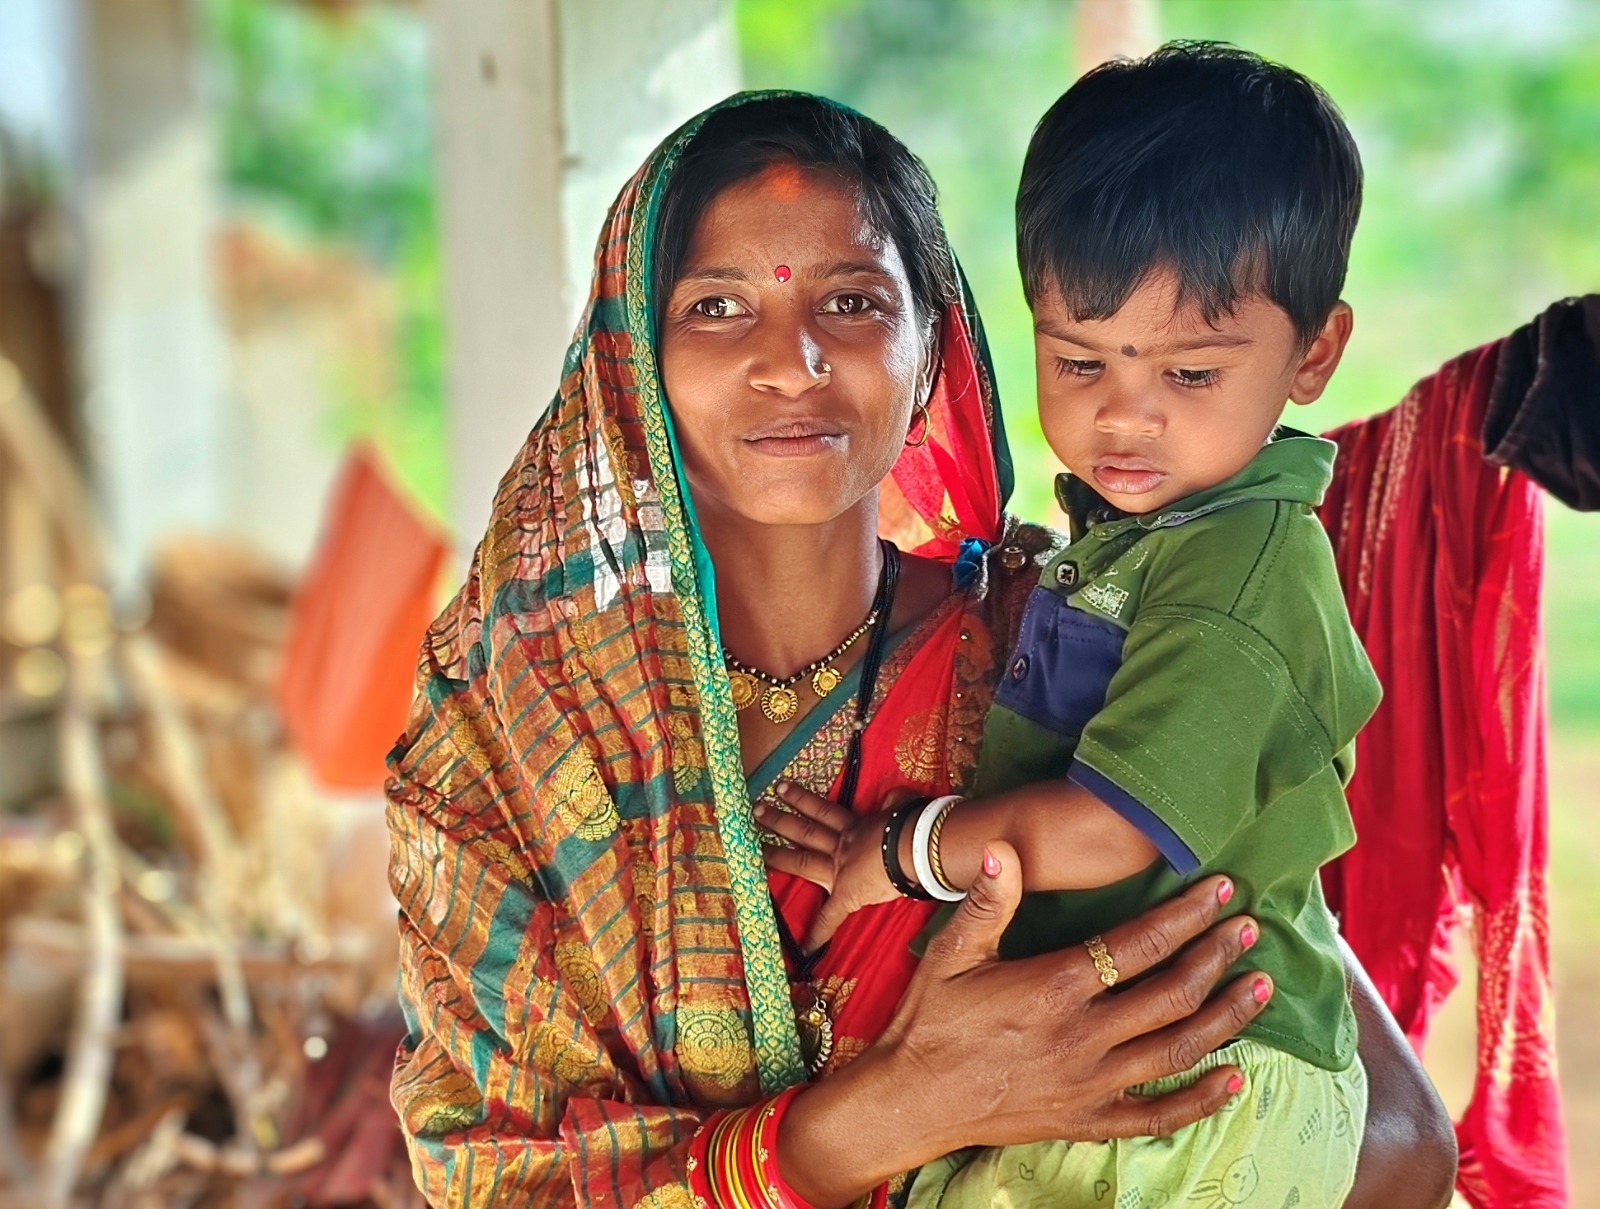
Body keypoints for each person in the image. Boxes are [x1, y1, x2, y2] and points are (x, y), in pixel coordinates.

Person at [384, 91, 1456, 1208]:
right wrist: (914, 1107)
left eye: (851, 302)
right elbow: (496, 1175)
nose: (791, 364)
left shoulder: (1066, 642)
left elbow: (1396, 1146)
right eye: (714, 306)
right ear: (629, 361)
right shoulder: (504, 735)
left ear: (932, 339)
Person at [766, 47, 1375, 1209]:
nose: (1122, 416)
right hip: (1132, 1066)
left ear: (1316, 354)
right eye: (1077, 361)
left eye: (1191, 372)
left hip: (1196, 1085)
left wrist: (896, 855)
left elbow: (1108, 834)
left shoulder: (1238, 565)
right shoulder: (1126, 541)